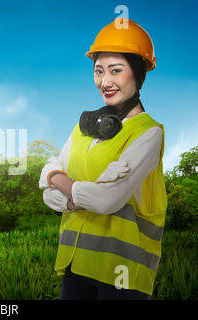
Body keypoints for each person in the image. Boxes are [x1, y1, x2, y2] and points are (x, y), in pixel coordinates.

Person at [39, 18, 167, 300]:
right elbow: (47, 189)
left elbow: (106, 200)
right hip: (75, 266)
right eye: (98, 71)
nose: (104, 81)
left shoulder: (148, 133)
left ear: (138, 73)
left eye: (116, 71)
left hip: (121, 276)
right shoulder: (84, 128)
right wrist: (72, 189)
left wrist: (59, 182)